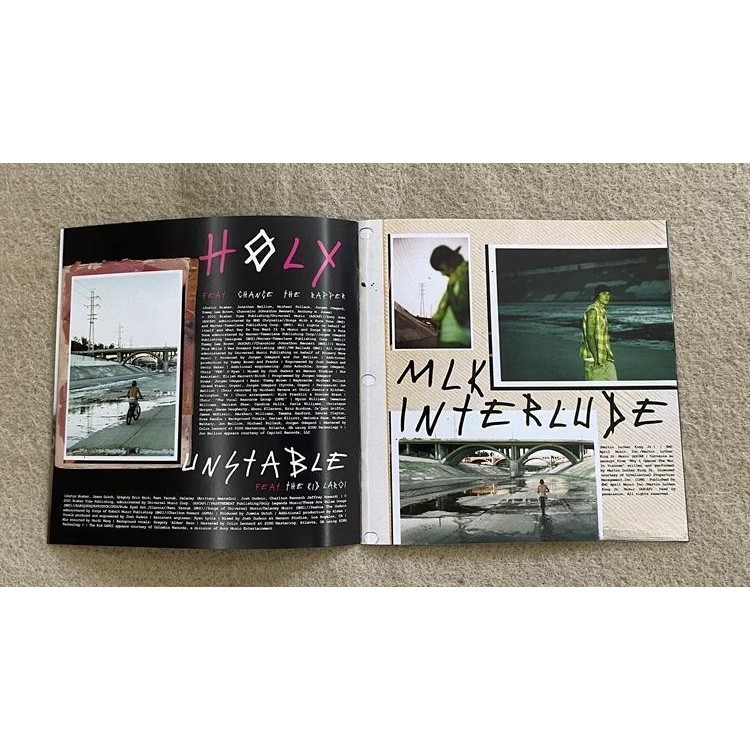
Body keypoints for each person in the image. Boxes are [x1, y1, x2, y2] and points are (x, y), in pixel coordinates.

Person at [429, 245, 471, 348]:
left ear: (448, 262)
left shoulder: (465, 275)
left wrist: (450, 287)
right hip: (449, 337)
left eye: (442, 269)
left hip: (456, 339)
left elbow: (461, 312)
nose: (443, 274)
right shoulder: (457, 277)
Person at [580, 285, 617, 380]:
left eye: (608, 294)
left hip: (605, 356)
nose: (607, 296)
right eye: (604, 294)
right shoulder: (593, 311)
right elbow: (590, 335)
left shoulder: (602, 311)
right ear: (597, 295)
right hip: (594, 358)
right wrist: (596, 357)